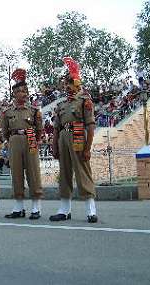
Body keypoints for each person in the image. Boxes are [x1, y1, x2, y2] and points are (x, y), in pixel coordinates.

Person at [49, 57, 98, 223]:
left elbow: (90, 126)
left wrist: (88, 148)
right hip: (63, 136)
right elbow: (56, 128)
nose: (66, 86)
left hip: (78, 135)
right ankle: (64, 210)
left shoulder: (85, 101)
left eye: (69, 83)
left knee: (82, 171)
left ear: (77, 84)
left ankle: (91, 210)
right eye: (65, 84)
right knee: (64, 173)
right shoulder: (61, 105)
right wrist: (54, 146)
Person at [1, 69, 44, 220]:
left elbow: (39, 130)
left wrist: (34, 140)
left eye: (25, 91)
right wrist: (12, 140)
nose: (23, 93)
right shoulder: (7, 112)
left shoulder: (34, 110)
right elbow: (5, 131)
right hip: (14, 140)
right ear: (14, 94)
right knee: (17, 174)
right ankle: (18, 207)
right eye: (19, 91)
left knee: (33, 172)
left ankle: (36, 207)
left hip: (30, 139)